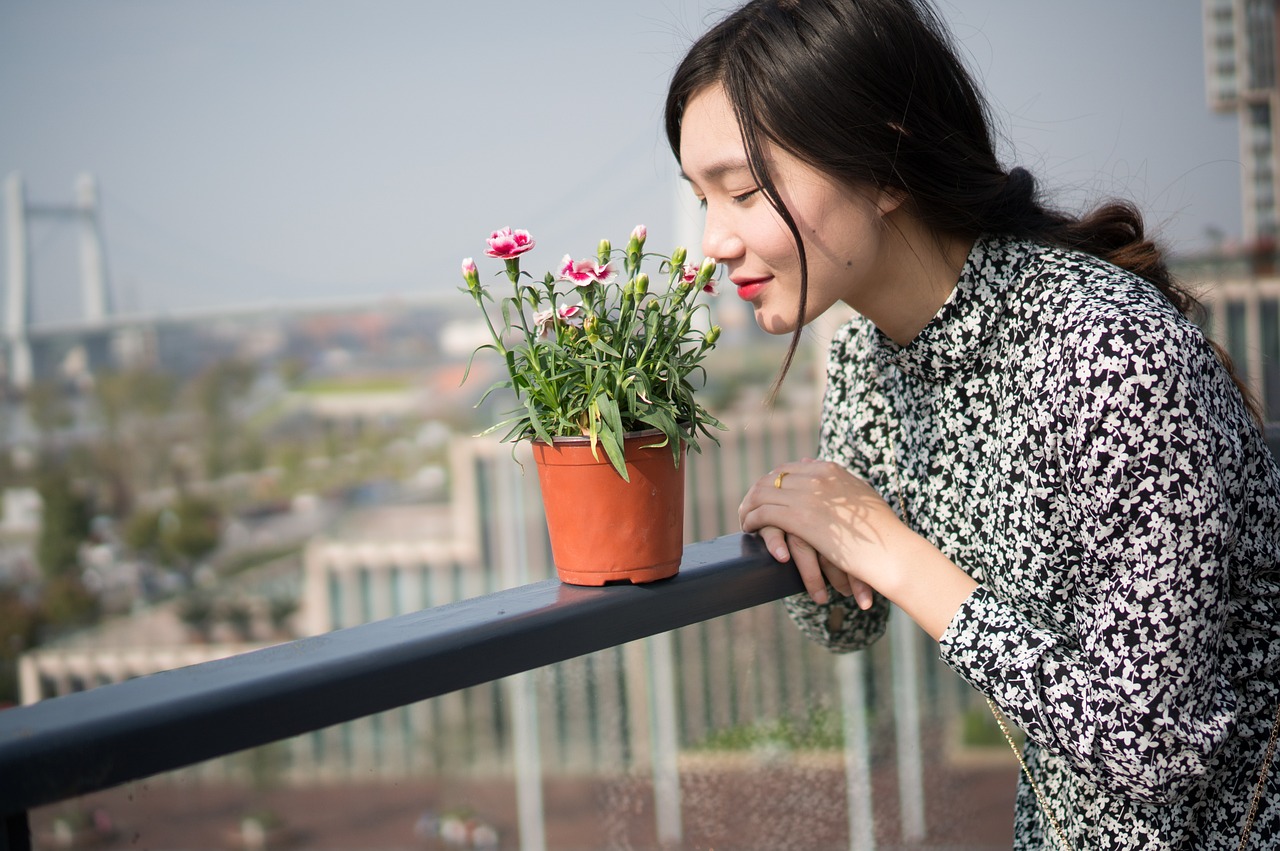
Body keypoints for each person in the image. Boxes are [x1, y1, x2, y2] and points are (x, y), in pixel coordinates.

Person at [664, 0, 1280, 848]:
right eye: (703, 197)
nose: (713, 240)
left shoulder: (1109, 353)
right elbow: (849, 621)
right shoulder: (869, 357)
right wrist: (798, 516)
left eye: (741, 192)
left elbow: (1156, 746)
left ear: (884, 164)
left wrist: (890, 548)